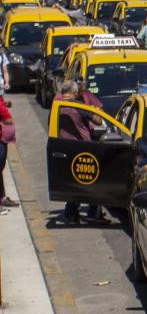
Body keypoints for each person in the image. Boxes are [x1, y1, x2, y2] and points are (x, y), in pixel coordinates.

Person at [55, 81, 109, 225]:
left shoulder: (57, 107)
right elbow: (98, 120)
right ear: (74, 92)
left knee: (73, 181)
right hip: (83, 148)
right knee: (93, 179)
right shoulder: (78, 106)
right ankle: (93, 212)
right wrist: (98, 110)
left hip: (62, 147)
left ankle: (70, 213)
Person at [0, 99, 16, 207]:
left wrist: (4, 104)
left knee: (0, 167)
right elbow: (6, 119)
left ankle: (2, 197)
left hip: (2, 139)